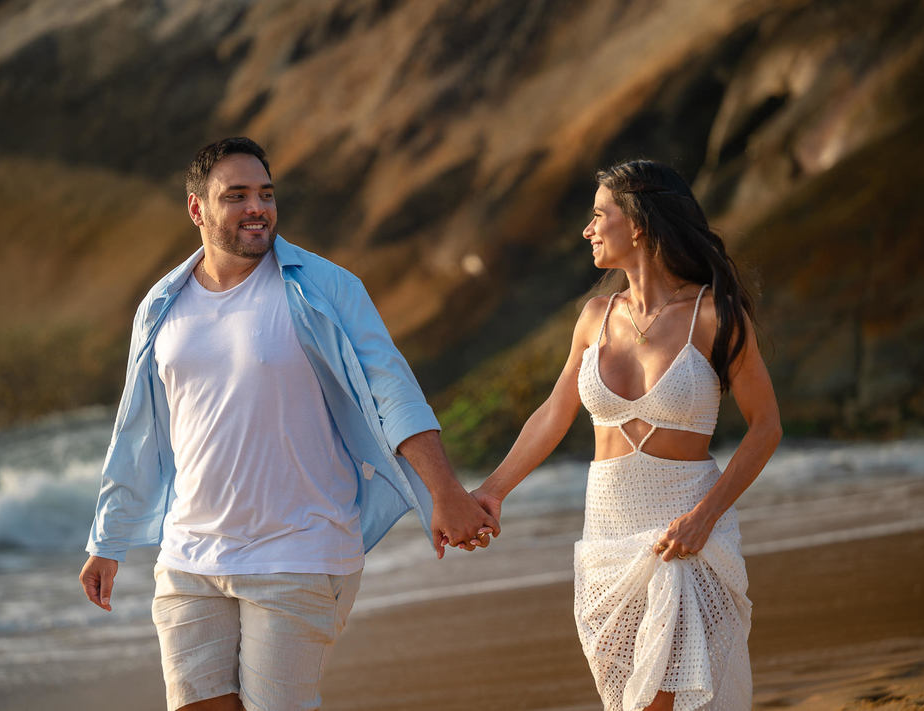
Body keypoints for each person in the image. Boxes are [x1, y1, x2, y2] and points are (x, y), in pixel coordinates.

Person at [79, 136, 497, 711]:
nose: (257, 208)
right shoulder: (161, 304)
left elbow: (392, 390)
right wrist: (107, 540)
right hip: (189, 555)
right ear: (197, 208)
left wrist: (445, 491)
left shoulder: (326, 287)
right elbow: (137, 430)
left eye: (266, 194)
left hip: (301, 549)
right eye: (237, 196)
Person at [471, 160, 782, 711]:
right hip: (607, 536)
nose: (587, 230)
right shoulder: (595, 316)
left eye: (599, 215)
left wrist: (705, 516)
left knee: (661, 698)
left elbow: (766, 428)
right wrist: (492, 491)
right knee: (628, 701)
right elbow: (554, 413)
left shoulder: (714, 315)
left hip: (684, 531)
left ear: (637, 223)